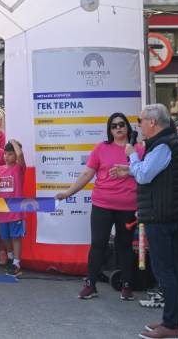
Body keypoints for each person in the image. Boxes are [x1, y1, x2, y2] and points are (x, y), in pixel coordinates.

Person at [110, 104, 178, 339]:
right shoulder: (166, 143)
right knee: (172, 269)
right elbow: (151, 172)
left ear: (153, 122)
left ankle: (171, 324)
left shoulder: (163, 145)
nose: (139, 125)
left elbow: (145, 175)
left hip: (162, 216)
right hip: (167, 214)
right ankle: (171, 320)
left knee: (166, 270)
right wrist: (131, 169)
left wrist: (132, 156)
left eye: (141, 120)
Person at [56, 113, 142, 301]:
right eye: (114, 126)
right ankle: (90, 284)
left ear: (127, 127)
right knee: (98, 244)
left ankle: (127, 285)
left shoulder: (138, 150)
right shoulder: (101, 148)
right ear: (109, 130)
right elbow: (87, 174)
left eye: (121, 124)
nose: (118, 128)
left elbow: (145, 175)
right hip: (102, 204)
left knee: (125, 246)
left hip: (128, 206)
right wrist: (68, 193)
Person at [0, 140, 26, 277]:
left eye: (10, 154)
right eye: (5, 154)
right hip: (2, 210)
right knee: (5, 237)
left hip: (16, 211)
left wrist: (13, 142)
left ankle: (17, 263)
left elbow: (20, 155)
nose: (7, 156)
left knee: (16, 237)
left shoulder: (19, 168)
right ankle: (10, 257)